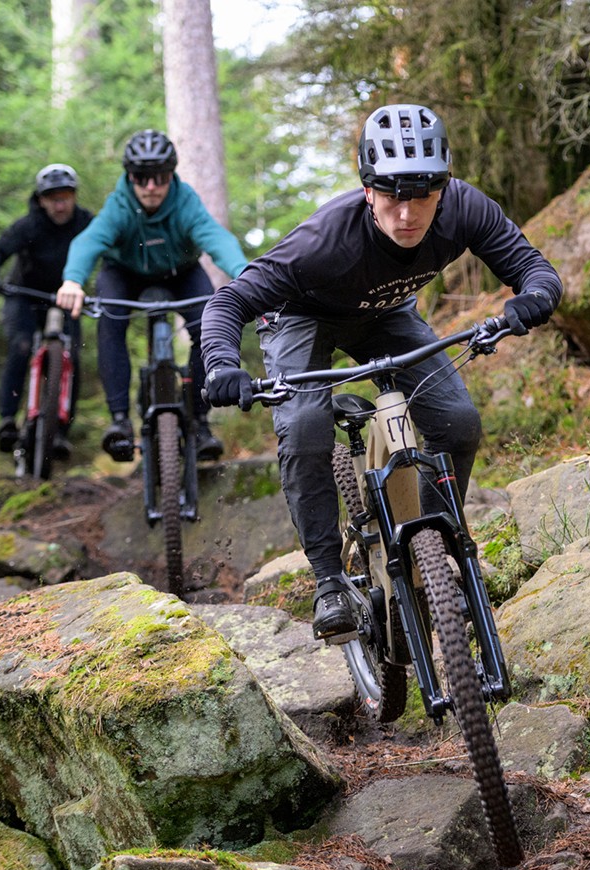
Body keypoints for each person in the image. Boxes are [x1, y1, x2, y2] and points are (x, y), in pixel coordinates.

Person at [201, 103, 562, 642]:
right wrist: (223, 364)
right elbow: (227, 303)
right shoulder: (324, 240)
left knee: (458, 422)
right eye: (393, 197)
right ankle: (328, 583)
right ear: (369, 190)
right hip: (302, 316)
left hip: (385, 314)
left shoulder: (466, 208)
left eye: (424, 196)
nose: (408, 215)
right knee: (303, 428)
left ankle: (435, 551)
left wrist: (534, 297)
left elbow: (535, 269)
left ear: (443, 186)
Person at [55, 129, 247, 462]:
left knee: (208, 327)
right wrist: (72, 280)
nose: (151, 186)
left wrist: (244, 272)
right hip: (124, 273)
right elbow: (88, 242)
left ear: (170, 174)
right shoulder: (120, 205)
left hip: (181, 272)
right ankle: (119, 421)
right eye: (142, 178)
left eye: (159, 177)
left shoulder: (184, 200)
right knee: (110, 326)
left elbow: (216, 238)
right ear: (130, 177)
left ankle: (200, 423)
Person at [0, 163, 95, 457]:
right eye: (52, 198)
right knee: (20, 346)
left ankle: (60, 433)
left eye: (65, 196)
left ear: (74, 196)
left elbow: (109, 250)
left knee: (72, 356)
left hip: (66, 297)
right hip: (25, 295)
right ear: (41, 200)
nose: (60, 204)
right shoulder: (28, 226)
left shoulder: (86, 223)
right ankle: (8, 420)